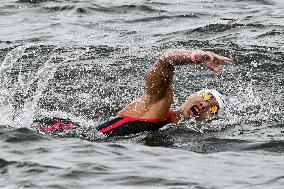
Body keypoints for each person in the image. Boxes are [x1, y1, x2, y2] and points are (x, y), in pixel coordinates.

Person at [36, 49, 231, 137]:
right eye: (207, 97)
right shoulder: (161, 101)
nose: (206, 105)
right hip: (59, 133)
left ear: (206, 118)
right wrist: (196, 57)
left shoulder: (171, 126)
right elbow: (164, 60)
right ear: (193, 95)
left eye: (213, 108)